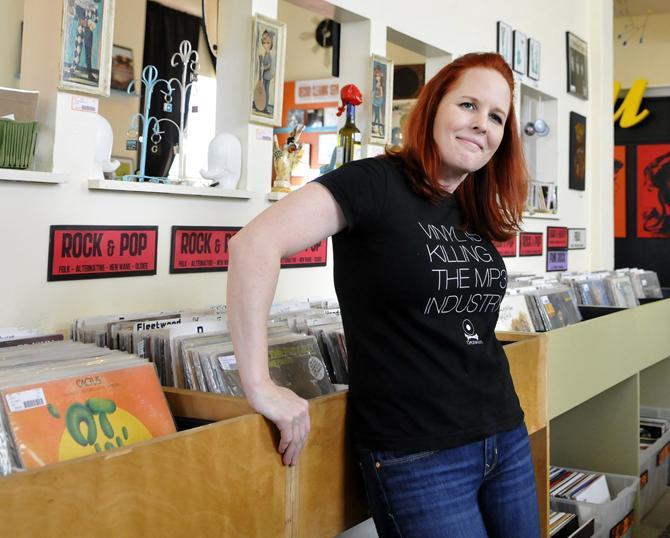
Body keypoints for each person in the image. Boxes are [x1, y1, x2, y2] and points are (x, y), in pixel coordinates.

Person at [227, 52, 540, 537]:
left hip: (504, 436)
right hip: (419, 455)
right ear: (434, 106)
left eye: (496, 117)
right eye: (469, 105)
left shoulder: (469, 204)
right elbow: (253, 244)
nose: (482, 124)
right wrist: (259, 384)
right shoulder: (374, 183)